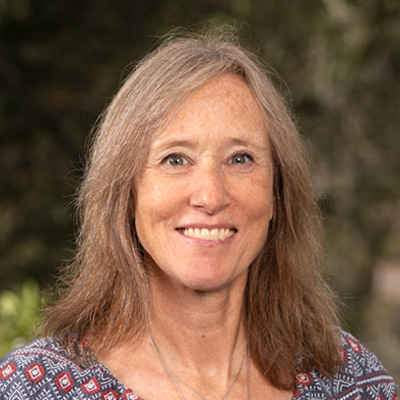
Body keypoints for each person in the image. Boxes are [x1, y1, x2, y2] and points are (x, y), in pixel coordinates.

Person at [0, 29, 398, 400]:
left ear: (278, 192)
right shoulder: (34, 387)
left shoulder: (352, 380)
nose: (210, 195)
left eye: (240, 158)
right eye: (176, 159)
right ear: (126, 191)